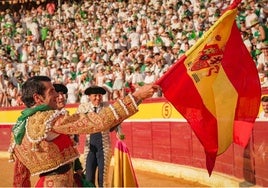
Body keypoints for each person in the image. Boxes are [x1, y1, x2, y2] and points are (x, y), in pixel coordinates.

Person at [8, 75, 157, 187]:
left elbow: (20, 177)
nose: (57, 95)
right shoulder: (49, 119)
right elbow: (98, 121)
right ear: (38, 98)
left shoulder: (18, 129)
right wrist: (136, 96)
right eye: (52, 91)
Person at [76, 85, 120, 187]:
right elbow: (75, 123)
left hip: (104, 147)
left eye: (100, 95)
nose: (98, 98)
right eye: (95, 95)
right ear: (89, 97)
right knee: (88, 177)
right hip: (89, 147)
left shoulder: (107, 107)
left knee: (103, 178)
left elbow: (117, 120)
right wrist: (74, 137)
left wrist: (120, 134)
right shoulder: (83, 108)